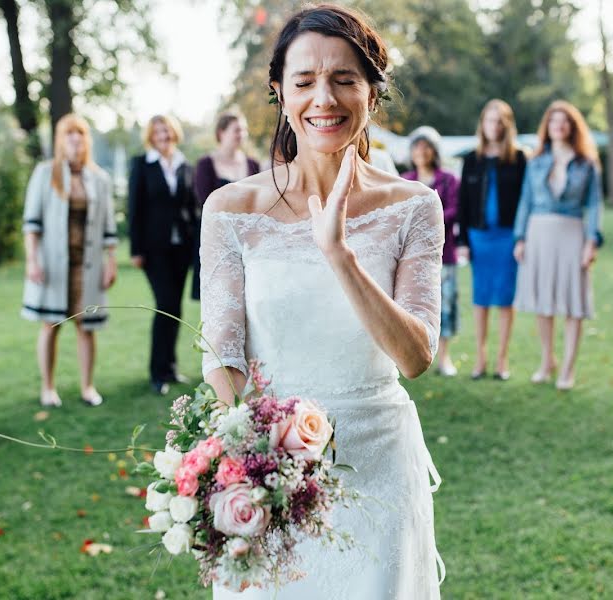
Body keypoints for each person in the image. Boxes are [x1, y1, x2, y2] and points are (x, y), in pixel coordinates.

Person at [201, 5, 444, 599]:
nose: (324, 99)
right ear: (279, 92)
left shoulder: (415, 207)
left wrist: (339, 254)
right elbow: (223, 357)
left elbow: (415, 357)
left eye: (344, 79)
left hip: (379, 466)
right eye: (304, 81)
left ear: (371, 91)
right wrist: (261, 459)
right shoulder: (230, 210)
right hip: (273, 470)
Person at [21, 113, 117, 407]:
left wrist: (110, 261)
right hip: (53, 265)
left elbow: (108, 228)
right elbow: (31, 224)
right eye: (69, 133)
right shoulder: (44, 173)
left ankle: (87, 387)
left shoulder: (99, 178)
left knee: (86, 326)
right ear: (60, 139)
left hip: (86, 266)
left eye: (80, 133)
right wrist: (32, 261)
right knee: (51, 325)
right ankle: (48, 388)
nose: (75, 138)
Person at [512, 101, 602, 391]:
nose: (559, 126)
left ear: (572, 127)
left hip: (573, 233)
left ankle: (567, 368)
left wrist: (592, 242)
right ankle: (547, 361)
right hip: (538, 232)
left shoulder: (587, 164)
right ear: (547, 128)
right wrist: (520, 237)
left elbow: (594, 205)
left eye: (565, 121)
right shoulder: (536, 161)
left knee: (573, 303)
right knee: (544, 302)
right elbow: (525, 200)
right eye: (554, 121)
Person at [456, 100, 527, 380]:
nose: (494, 126)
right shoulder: (471, 159)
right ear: (482, 124)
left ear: (507, 125)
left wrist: (523, 237)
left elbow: (525, 200)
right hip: (479, 236)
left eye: (499, 121)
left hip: (508, 237)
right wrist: (462, 240)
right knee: (481, 298)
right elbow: (463, 202)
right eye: (489, 120)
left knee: (506, 299)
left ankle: (501, 360)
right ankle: (480, 359)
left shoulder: (519, 158)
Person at [128, 114, 197, 395]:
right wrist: (136, 249)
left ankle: (170, 367)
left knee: (175, 309)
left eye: (166, 130)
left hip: (181, 248)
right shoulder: (142, 165)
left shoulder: (184, 165)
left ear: (174, 133)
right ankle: (157, 372)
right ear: (150, 136)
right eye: (157, 131)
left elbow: (192, 208)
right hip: (154, 250)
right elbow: (135, 208)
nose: (163, 135)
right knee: (164, 305)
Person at [401, 126, 460, 376]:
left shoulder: (449, 180)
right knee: (408, 306)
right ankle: (407, 356)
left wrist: (426, 219)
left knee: (446, 305)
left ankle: (444, 358)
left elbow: (454, 210)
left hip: (445, 255)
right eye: (417, 146)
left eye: (426, 146)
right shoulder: (404, 180)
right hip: (410, 256)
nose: (421, 151)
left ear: (434, 151)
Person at [192, 111, 261, 300]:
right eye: (237, 130)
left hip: (249, 239)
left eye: (244, 130)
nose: (242, 134)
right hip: (218, 237)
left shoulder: (252, 164)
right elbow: (205, 201)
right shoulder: (206, 164)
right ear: (221, 132)